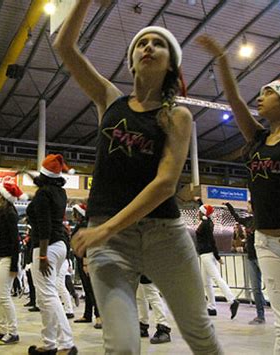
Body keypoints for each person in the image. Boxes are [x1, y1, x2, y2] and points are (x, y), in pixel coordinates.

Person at [55, 2, 223, 354]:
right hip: (111, 244)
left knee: (200, 334)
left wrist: (103, 229)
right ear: (132, 60)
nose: (148, 47)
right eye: (141, 43)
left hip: (165, 237)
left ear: (170, 64)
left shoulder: (177, 116)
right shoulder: (110, 100)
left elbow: (165, 185)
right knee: (122, 347)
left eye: (158, 44)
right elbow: (64, 47)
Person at [198, 35, 280, 354]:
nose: (261, 96)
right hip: (266, 242)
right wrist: (223, 59)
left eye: (269, 92)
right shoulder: (256, 138)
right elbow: (235, 99)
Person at [26, 154, 77, 355]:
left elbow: (44, 224)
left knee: (48, 296)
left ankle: (66, 343)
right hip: (60, 245)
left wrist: (43, 255)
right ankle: (49, 344)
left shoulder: (43, 195)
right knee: (46, 296)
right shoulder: (59, 192)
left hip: (47, 246)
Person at [0, 182, 27, 345]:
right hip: (2, 256)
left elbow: (15, 241)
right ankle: (2, 329)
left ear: (3, 196)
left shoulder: (9, 213)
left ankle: (13, 332)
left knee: (4, 295)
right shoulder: (2, 213)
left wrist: (14, 265)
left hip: (9, 258)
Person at [224, 201, 266, 325]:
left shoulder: (262, 220)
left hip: (262, 256)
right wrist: (228, 205)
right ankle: (260, 315)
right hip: (251, 257)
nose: (246, 207)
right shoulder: (247, 220)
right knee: (255, 288)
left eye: (248, 205)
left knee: (273, 286)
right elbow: (236, 217)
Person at [195, 202, 239, 318]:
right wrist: (199, 201)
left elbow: (212, 241)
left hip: (207, 255)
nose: (197, 213)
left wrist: (217, 256)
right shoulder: (207, 222)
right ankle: (211, 307)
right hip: (206, 255)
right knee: (207, 282)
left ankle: (232, 300)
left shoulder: (205, 224)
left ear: (203, 213)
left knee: (216, 278)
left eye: (199, 211)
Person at [71, 203, 101, 329]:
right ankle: (87, 314)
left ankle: (99, 316)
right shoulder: (82, 224)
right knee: (87, 289)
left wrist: (85, 262)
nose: (73, 215)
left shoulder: (85, 225)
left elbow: (87, 245)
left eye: (75, 213)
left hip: (86, 260)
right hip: (81, 260)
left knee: (91, 289)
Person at [136, 275, 171, 344]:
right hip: (138, 266)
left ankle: (163, 327)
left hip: (146, 266)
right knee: (140, 293)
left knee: (151, 292)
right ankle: (142, 325)